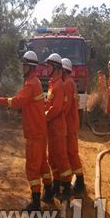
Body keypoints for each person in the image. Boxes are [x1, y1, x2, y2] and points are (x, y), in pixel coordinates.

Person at [0, 51, 47, 211]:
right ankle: (49, 191)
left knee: (32, 166)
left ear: (31, 67)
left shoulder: (31, 84)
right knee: (42, 163)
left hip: (34, 132)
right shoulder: (34, 82)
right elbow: (25, 103)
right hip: (39, 130)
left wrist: (0, 101)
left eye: (24, 65)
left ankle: (36, 202)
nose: (22, 68)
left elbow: (18, 101)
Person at [43, 53, 72, 200]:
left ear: (55, 67)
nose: (46, 68)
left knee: (61, 158)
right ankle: (56, 184)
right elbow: (50, 104)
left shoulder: (59, 85)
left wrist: (44, 116)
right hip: (51, 128)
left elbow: (57, 108)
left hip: (58, 129)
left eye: (48, 65)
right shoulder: (52, 84)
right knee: (52, 159)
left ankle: (67, 187)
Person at [62, 58, 85, 192]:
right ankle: (77, 179)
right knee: (71, 152)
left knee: (71, 153)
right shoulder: (71, 83)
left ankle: (80, 180)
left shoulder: (67, 84)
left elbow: (65, 107)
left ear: (64, 70)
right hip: (72, 123)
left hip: (69, 124)